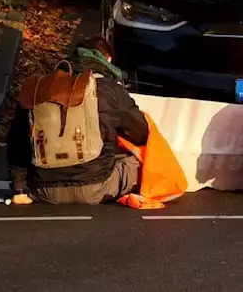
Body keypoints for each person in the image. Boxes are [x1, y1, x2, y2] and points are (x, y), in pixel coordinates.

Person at [8, 37, 150, 205]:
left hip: (44, 190)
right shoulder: (110, 89)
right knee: (142, 163)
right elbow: (140, 133)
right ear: (108, 59)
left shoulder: (43, 89)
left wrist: (19, 188)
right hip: (97, 188)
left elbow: (17, 142)